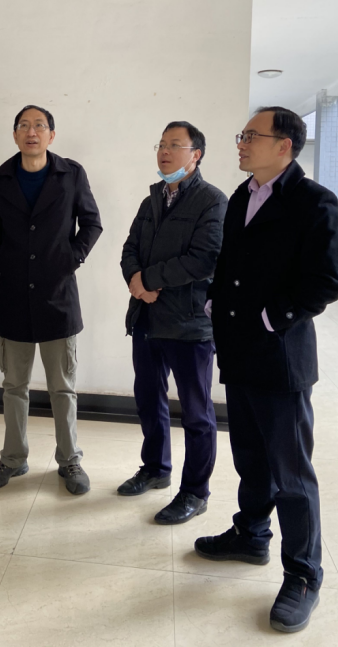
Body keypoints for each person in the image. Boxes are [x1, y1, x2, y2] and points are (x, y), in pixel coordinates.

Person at [195, 106, 338, 634]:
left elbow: (326, 281)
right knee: (251, 458)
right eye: (242, 135)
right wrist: (215, 301)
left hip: (281, 359)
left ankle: (303, 575)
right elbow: (230, 262)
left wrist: (269, 317)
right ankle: (251, 535)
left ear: (284, 146)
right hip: (239, 353)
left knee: (291, 474)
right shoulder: (243, 195)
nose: (240, 143)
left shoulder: (314, 201)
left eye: (251, 136)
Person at [0, 105, 102, 495]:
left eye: (40, 126)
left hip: (57, 296)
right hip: (14, 294)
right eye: (24, 126)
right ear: (15, 135)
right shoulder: (1, 177)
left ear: (51, 135)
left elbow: (92, 223)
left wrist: (70, 259)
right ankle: (14, 458)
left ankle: (70, 459)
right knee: (14, 385)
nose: (32, 132)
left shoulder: (71, 174)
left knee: (62, 387)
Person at [119, 121, 227, 524]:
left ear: (195, 154)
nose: (164, 152)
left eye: (175, 145)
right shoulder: (152, 199)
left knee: (197, 414)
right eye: (161, 144)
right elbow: (129, 248)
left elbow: (204, 259)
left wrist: (148, 280)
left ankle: (195, 492)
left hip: (189, 325)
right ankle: (155, 469)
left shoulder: (212, 201)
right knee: (149, 400)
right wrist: (135, 279)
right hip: (146, 318)